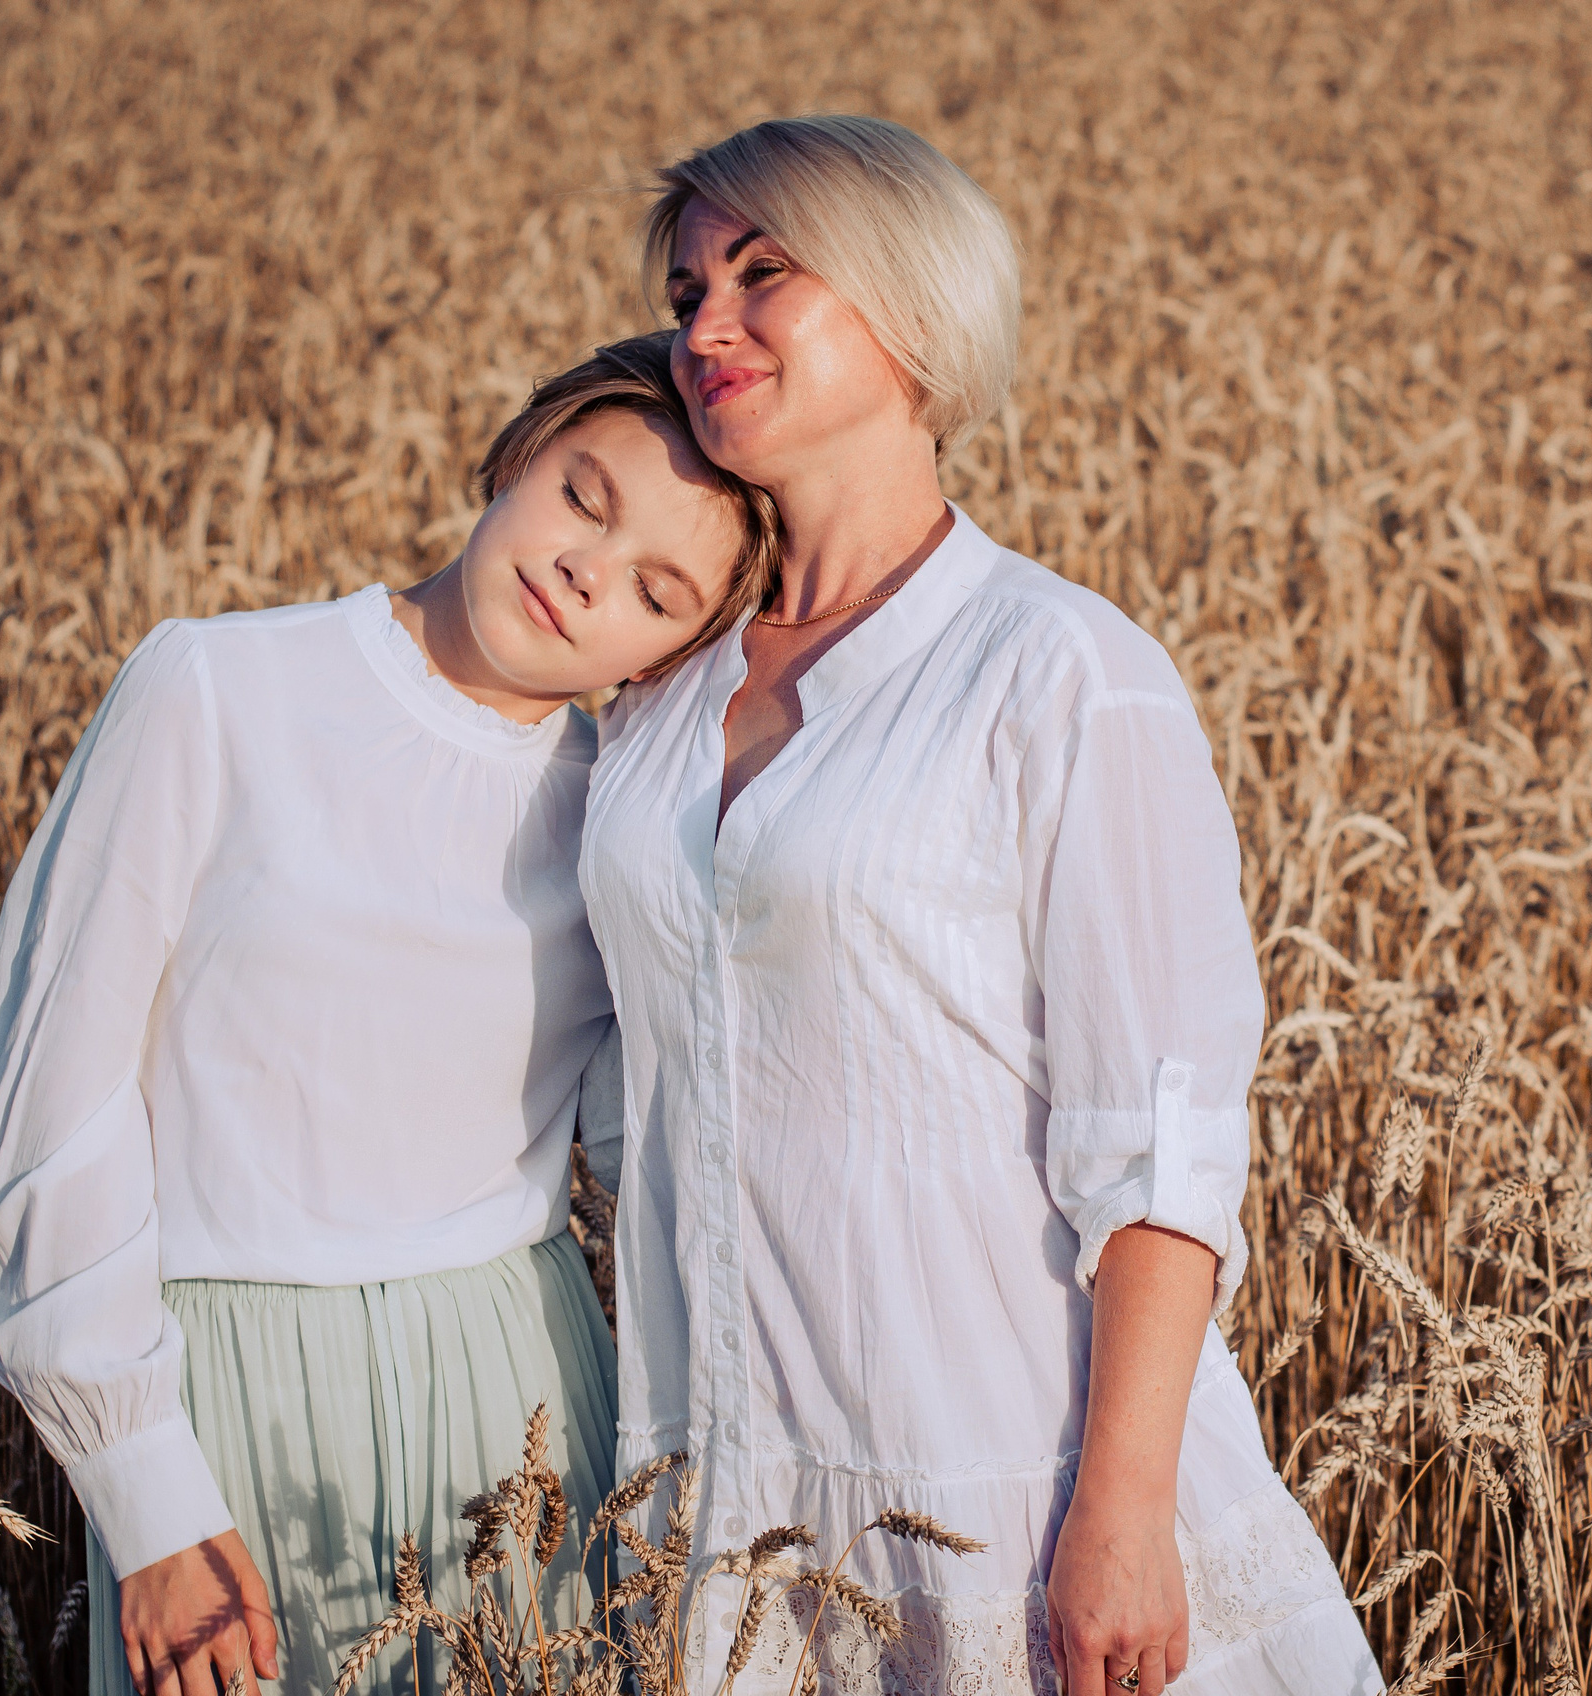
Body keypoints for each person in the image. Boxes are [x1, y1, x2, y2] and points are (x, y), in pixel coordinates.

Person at [582, 117, 1383, 1695]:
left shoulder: (1061, 673)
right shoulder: (651, 694)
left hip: (1003, 1492)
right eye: (685, 296)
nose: (704, 330)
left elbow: (1159, 1138)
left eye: (762, 276)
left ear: (915, 316)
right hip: (722, 1492)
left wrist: (1124, 1515)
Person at [0, 334, 779, 1696]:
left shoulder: (619, 815)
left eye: (657, 588)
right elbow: (57, 1104)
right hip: (229, 1402)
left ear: (678, 653)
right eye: (586, 496)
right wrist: (147, 1489)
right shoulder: (214, 691)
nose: (588, 571)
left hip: (522, 1404)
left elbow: (656, 1149)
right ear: (522, 452)